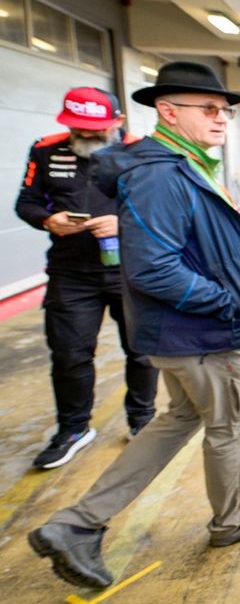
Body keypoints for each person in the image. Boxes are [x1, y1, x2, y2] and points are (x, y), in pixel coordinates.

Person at [27, 62, 240, 589]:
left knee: (179, 419)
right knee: (231, 424)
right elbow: (153, 267)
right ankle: (235, 516)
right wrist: (227, 302)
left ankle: (77, 524)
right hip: (202, 332)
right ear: (169, 112)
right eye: (210, 110)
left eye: (225, 111)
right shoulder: (161, 173)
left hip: (183, 333)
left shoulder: (182, 163)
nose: (222, 119)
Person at [15, 87, 158, 469]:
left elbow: (164, 209)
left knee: (142, 350)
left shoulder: (143, 151)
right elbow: (25, 202)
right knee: (69, 354)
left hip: (131, 267)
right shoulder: (45, 149)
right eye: (80, 129)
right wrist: (48, 220)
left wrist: (123, 222)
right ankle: (73, 428)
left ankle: (142, 418)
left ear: (118, 122)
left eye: (97, 130)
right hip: (71, 272)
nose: (88, 137)